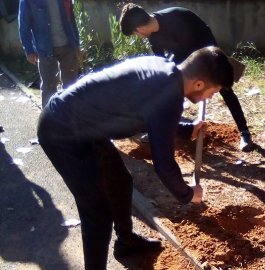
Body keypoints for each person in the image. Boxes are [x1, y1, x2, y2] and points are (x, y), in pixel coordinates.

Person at [37, 46, 234, 270]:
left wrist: (187, 130)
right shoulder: (169, 94)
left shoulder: (165, 72)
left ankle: (126, 242)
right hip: (63, 133)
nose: (210, 97)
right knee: (98, 214)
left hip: (86, 128)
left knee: (121, 182)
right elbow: (164, 164)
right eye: (213, 91)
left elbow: (154, 117)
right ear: (199, 83)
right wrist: (188, 194)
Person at [119, 4, 254, 151]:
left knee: (224, 88)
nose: (138, 36)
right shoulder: (154, 38)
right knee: (168, 86)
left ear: (139, 29)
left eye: (135, 34)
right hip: (183, 56)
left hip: (205, 48)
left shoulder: (176, 17)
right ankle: (166, 128)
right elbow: (162, 64)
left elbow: (196, 51)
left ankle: (244, 133)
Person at [18, 0, 80, 108]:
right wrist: (29, 51)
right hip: (45, 49)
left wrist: (76, 43)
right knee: (49, 87)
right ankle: (48, 119)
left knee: (71, 85)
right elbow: (24, 24)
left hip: (68, 45)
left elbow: (71, 18)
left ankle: (71, 116)